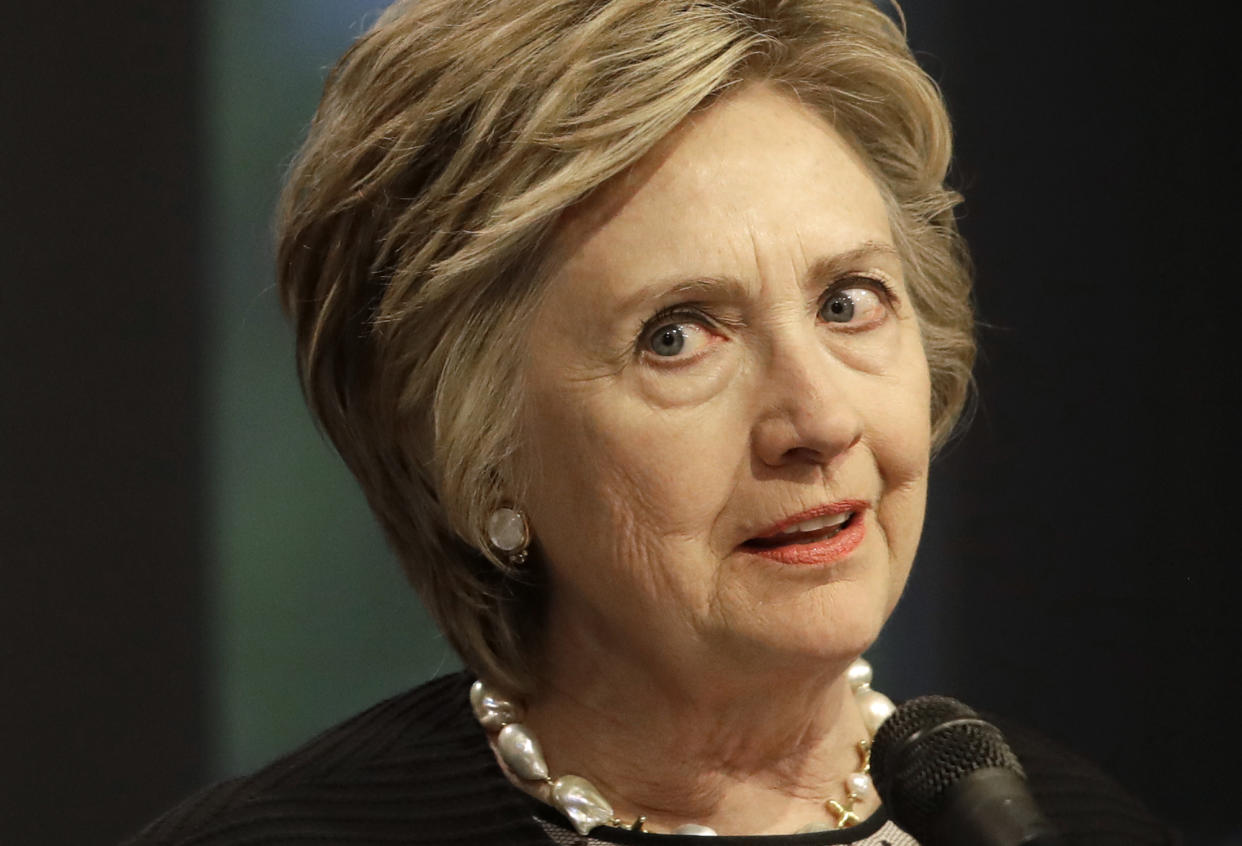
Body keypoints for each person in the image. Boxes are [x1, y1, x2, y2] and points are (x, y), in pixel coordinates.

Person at [125, 1, 1177, 843]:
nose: (817, 419)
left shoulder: (1052, 822)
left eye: (848, 302)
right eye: (678, 336)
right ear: (477, 452)